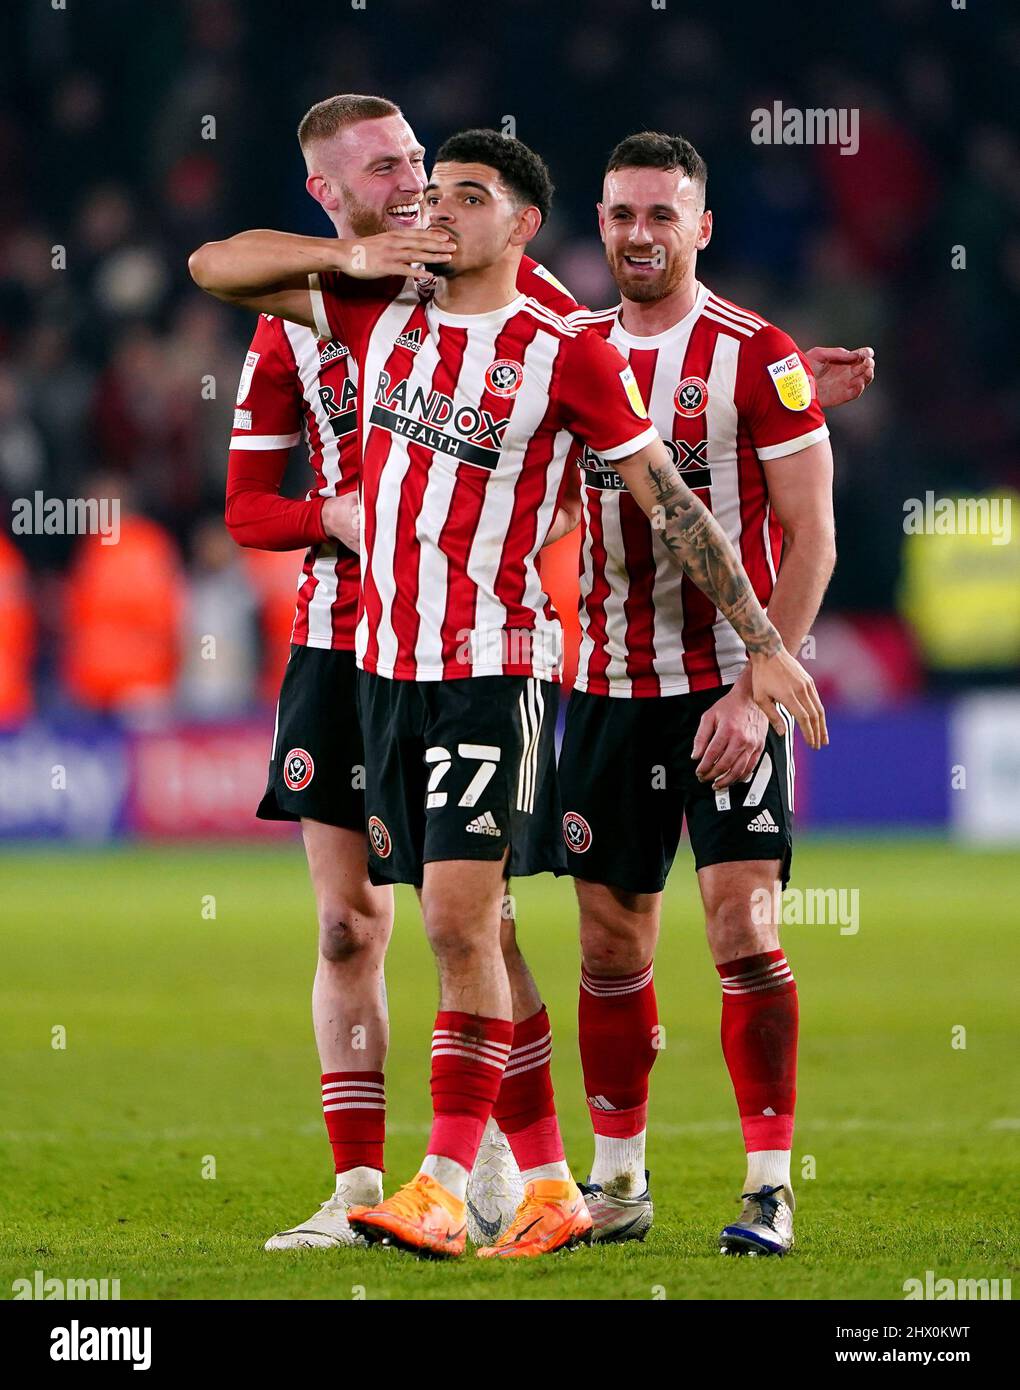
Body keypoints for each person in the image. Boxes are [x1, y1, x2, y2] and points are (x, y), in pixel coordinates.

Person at [192, 126, 826, 1259]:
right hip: (386, 672)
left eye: (464, 196)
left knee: (454, 918)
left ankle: (443, 1178)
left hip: (500, 667)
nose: (435, 211)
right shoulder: (374, 313)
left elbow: (673, 502)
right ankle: (545, 1181)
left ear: (522, 227)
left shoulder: (559, 349)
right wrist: (352, 258)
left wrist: (767, 645)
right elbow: (213, 263)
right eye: (428, 192)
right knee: (469, 929)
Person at [207, 95, 578, 1251]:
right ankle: (356, 1184)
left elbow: (613, 383)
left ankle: (518, 1162)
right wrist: (339, 515)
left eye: (417, 156)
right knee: (344, 928)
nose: (412, 179)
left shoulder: (511, 290)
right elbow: (246, 506)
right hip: (339, 640)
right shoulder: (306, 308)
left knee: (477, 920)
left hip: (467, 642)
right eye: (382, 168)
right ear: (328, 192)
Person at [558, 131, 872, 1255]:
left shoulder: (756, 352)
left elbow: (815, 537)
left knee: (741, 922)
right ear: (598, 225)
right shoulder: (568, 351)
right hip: (600, 687)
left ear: (703, 227)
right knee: (608, 943)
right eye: (621, 215)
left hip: (724, 687)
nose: (640, 235)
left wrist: (757, 684)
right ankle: (618, 1183)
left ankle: (769, 1186)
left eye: (662, 215)